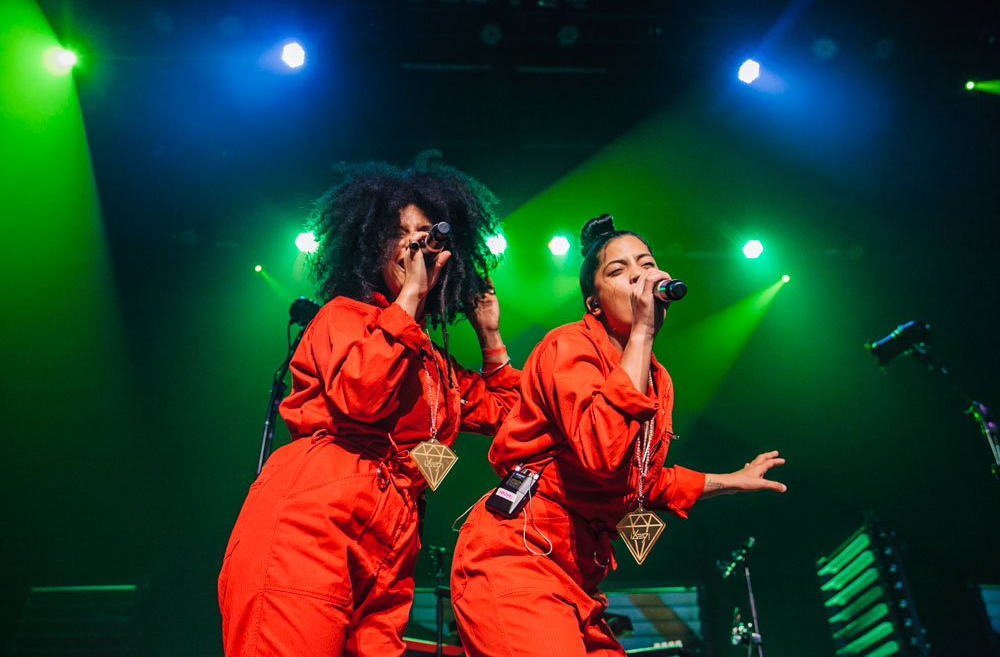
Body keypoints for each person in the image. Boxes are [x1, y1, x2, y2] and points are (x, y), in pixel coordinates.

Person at [218, 154, 521, 656]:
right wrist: (408, 304)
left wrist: (490, 338)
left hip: (390, 547)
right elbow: (361, 393)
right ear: (369, 246)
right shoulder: (344, 317)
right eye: (398, 233)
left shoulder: (434, 365)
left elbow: (514, 418)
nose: (414, 244)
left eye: (426, 233)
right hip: (308, 529)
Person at [450, 213, 787, 657]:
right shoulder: (567, 346)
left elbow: (641, 480)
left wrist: (731, 480)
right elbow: (600, 451)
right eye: (619, 270)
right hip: (517, 556)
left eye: (646, 264)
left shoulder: (657, 380)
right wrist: (644, 332)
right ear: (594, 303)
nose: (639, 276)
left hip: (578, 576)